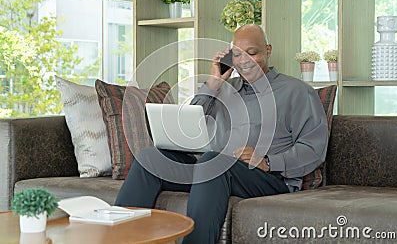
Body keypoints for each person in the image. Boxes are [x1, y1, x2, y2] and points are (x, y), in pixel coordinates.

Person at [115, 24, 328, 244]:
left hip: (268, 177)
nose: (244, 61)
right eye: (237, 55)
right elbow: (190, 125)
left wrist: (267, 162)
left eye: (252, 53)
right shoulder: (224, 88)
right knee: (151, 158)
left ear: (268, 50)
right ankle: (117, 239)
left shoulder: (297, 91)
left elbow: (314, 148)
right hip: (212, 171)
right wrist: (214, 83)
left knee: (213, 162)